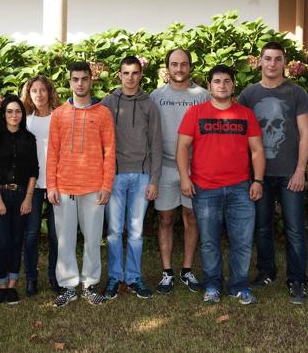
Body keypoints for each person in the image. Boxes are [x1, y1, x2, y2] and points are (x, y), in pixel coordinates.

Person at [177, 64, 265, 304]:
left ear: (233, 85)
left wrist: (257, 180)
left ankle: (239, 285)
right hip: (205, 188)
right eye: (217, 81)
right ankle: (213, 284)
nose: (222, 85)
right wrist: (185, 177)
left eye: (227, 81)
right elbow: (182, 147)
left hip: (240, 188)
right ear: (209, 86)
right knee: (208, 241)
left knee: (242, 241)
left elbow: (257, 151)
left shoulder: (246, 114)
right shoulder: (195, 113)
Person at [237, 41, 308, 304]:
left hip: (289, 173)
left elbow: (305, 134)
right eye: (267, 59)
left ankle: (297, 279)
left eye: (277, 59)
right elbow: (239, 137)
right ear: (260, 61)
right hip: (259, 176)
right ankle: (266, 271)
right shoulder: (247, 96)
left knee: (294, 229)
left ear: (284, 62)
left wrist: (300, 170)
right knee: (261, 227)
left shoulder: (297, 93)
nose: (272, 64)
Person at [47, 61, 116, 307]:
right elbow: (52, 152)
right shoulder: (59, 114)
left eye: (84, 78)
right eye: (75, 79)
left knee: (93, 238)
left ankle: (89, 284)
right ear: (69, 82)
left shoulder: (103, 113)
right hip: (64, 188)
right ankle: (67, 285)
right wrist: (51, 185)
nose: (80, 83)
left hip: (94, 188)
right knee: (65, 239)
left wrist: (107, 185)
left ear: (90, 80)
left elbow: (110, 152)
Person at [101, 55, 162, 299]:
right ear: (119, 75)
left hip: (141, 176)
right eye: (126, 73)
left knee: (136, 232)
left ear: (140, 75)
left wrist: (154, 180)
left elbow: (156, 144)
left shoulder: (149, 105)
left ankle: (134, 278)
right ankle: (115, 278)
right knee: (114, 231)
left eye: (134, 73)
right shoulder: (107, 103)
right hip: (114, 176)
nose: (130, 77)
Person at [150, 48, 211, 294]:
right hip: (164, 167)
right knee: (165, 219)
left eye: (183, 64)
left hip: (194, 168)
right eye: (174, 64)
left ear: (190, 66)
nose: (179, 69)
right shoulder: (156, 96)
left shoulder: (203, 95)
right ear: (167, 68)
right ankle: (167, 272)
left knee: (191, 217)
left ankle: (187, 270)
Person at [0, 96, 38, 304]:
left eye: (17, 111)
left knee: (17, 240)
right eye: (9, 111)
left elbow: (34, 171)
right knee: (3, 240)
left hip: (22, 196)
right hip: (1, 195)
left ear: (22, 115)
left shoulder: (29, 138)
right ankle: (1, 285)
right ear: (3, 114)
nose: (14, 115)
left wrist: (28, 199)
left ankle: (12, 286)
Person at [22, 75, 61, 296]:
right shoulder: (26, 120)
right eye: (33, 90)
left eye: (42, 90)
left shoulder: (59, 117)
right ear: (29, 94)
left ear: (49, 92)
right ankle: (31, 277)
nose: (38, 94)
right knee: (31, 232)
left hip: (56, 184)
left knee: (56, 234)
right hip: (33, 185)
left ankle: (55, 277)